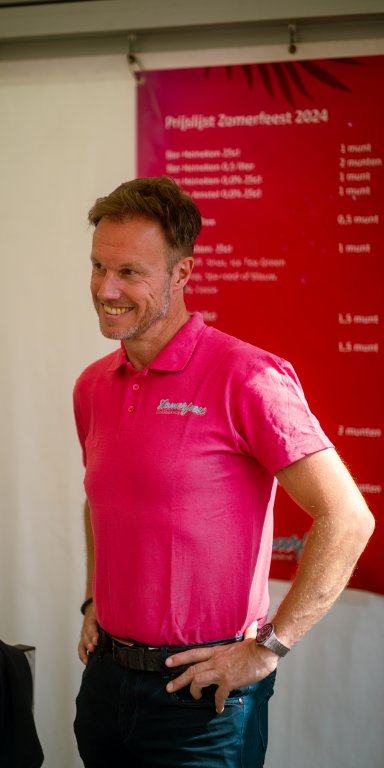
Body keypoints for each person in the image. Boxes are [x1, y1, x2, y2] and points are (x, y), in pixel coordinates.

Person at [72, 176, 374, 768]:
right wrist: (90, 602)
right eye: (98, 267)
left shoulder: (248, 377)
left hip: (203, 699)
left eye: (130, 272)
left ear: (181, 274)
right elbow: (101, 499)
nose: (106, 289)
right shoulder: (92, 386)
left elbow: (348, 517)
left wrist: (268, 648)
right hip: (106, 682)